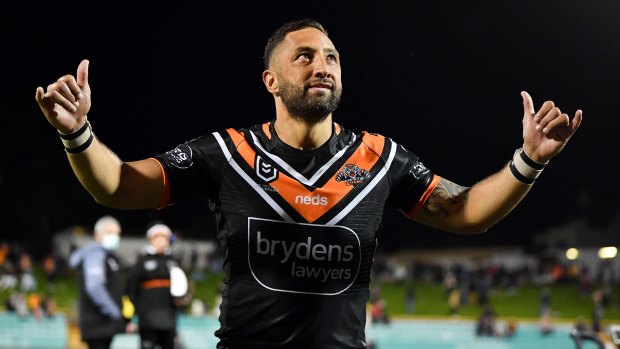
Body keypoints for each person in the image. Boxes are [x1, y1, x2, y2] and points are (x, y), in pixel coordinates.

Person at [36, 18, 582, 349]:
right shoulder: (227, 153)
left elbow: (465, 212)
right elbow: (119, 187)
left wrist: (527, 161)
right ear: (271, 80)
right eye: (304, 57)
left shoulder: (380, 156)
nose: (322, 65)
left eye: (331, 58)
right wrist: (79, 133)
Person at [125, 222, 191, 349]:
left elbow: (183, 286)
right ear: (150, 240)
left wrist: (183, 299)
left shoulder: (173, 261)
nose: (161, 241)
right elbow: (131, 289)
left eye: (164, 237)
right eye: (157, 237)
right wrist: (138, 312)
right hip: (147, 321)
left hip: (169, 320)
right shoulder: (142, 261)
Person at [68, 215, 129, 349]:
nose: (114, 237)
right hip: (98, 323)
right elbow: (95, 287)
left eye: (117, 233)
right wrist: (115, 313)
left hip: (102, 325)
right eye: (109, 233)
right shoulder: (94, 254)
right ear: (97, 235)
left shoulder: (107, 256)